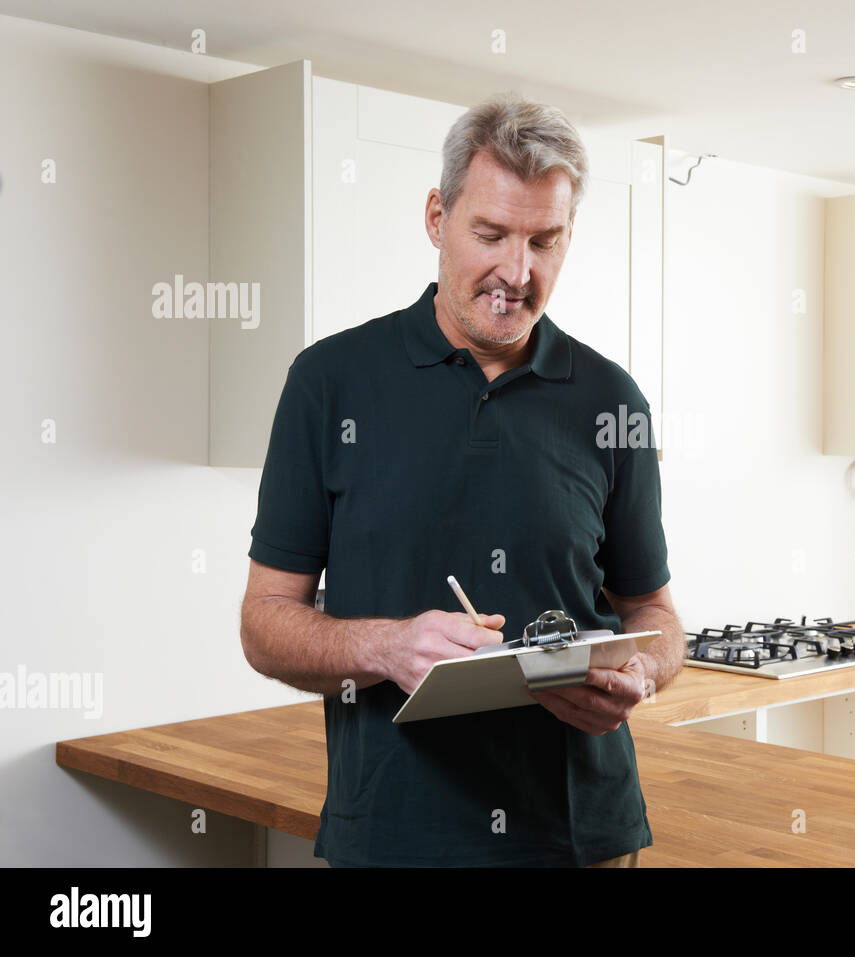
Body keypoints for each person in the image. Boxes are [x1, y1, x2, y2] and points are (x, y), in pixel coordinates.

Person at [239, 91, 684, 867]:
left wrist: (641, 669)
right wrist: (385, 646)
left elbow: (654, 612)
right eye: (492, 234)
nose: (518, 271)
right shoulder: (329, 382)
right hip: (393, 835)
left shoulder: (614, 401)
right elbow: (264, 622)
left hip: (581, 836)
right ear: (436, 218)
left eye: (545, 240)